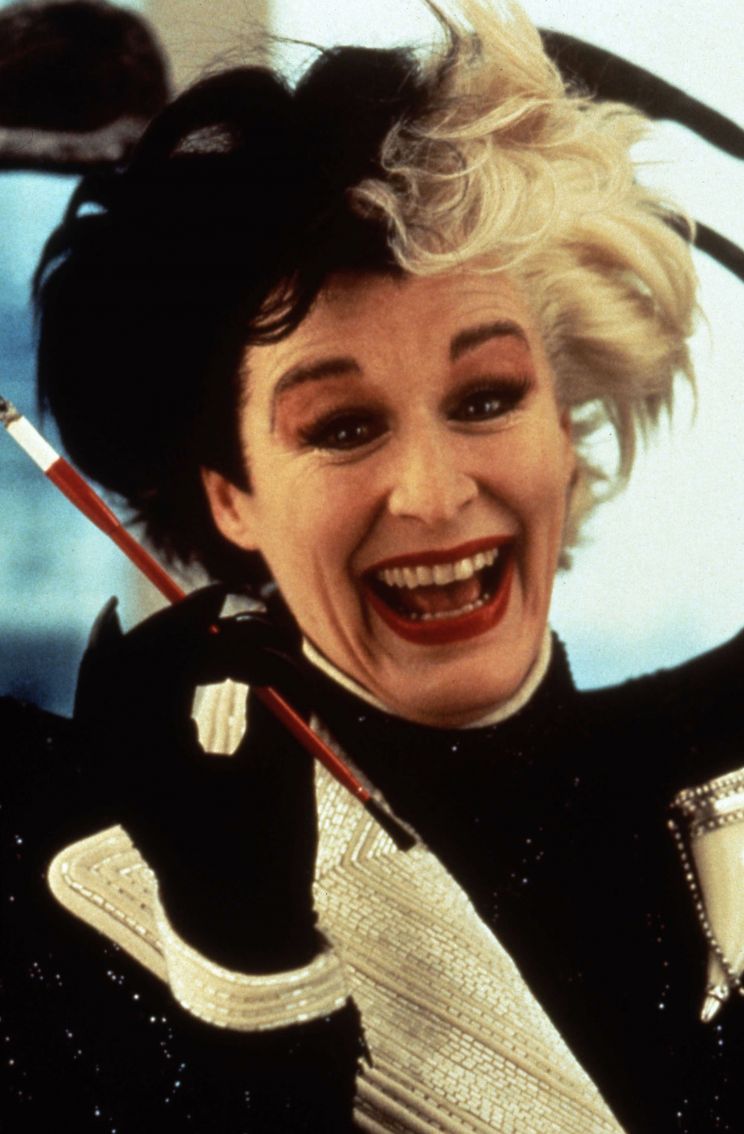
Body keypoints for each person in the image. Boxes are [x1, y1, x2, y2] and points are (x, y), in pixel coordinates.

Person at [4, 2, 743, 1131]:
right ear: (231, 495)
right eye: (343, 427)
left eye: (487, 399)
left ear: (566, 433)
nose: (436, 496)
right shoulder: (76, 856)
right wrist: (245, 972)